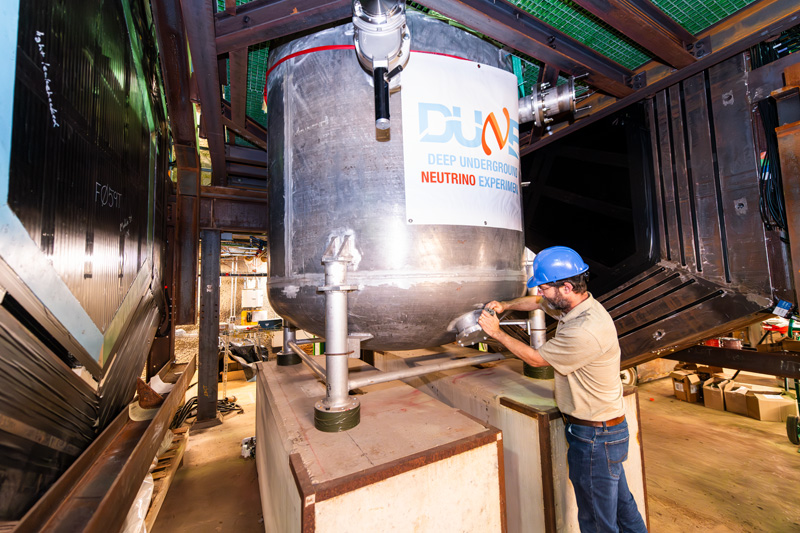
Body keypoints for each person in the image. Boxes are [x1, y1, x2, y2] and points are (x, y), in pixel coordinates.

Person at [478, 246, 647, 533]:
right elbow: (535, 303)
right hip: (606, 432)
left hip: (594, 437)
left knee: (596, 522)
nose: (541, 293)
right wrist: (506, 306)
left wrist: (495, 332)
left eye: (544, 287)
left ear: (566, 287)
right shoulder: (579, 305)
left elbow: (537, 358)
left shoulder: (584, 329)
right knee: (622, 509)